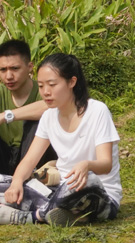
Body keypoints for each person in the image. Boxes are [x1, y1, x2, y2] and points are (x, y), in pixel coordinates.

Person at [0, 53, 121, 226]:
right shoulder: (49, 116)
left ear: (72, 82)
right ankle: (51, 213)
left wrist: (87, 165)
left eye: (52, 85)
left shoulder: (97, 111)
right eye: (41, 86)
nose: (45, 92)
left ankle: (33, 214)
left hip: (96, 194)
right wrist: (17, 183)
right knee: (12, 183)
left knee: (87, 183)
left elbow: (105, 164)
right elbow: (29, 160)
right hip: (55, 191)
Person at [0, 41, 55, 176]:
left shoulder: (43, 90)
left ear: (30, 67)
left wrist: (6, 115)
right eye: (3, 70)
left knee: (39, 123)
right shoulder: (1, 92)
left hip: (36, 158)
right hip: (4, 157)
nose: (9, 76)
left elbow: (51, 106)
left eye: (15, 68)